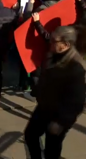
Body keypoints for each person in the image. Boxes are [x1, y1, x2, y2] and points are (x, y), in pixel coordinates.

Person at [24, 26, 86, 159]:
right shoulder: (52, 56)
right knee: (30, 135)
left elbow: (77, 102)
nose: (50, 42)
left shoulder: (75, 68)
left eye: (54, 40)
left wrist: (61, 122)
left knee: (52, 150)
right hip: (43, 108)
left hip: (59, 116)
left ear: (66, 45)